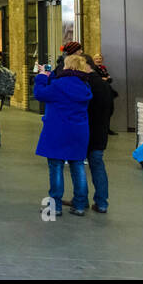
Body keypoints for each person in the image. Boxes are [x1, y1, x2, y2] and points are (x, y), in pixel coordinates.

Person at [33, 53, 93, 216]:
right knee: (77, 166)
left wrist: (41, 78)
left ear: (70, 67)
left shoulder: (59, 85)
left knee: (56, 167)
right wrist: (49, 75)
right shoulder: (85, 87)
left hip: (57, 130)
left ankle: (55, 206)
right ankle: (80, 205)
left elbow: (40, 94)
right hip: (79, 131)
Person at [85, 56, 113, 213]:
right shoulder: (104, 85)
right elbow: (111, 109)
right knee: (97, 165)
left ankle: (80, 199)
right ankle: (102, 202)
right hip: (101, 131)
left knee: (77, 166)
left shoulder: (85, 85)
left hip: (86, 130)